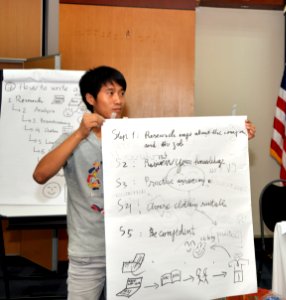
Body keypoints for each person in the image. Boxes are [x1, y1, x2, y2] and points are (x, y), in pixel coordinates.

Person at [33, 65, 256, 299]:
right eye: (110, 93)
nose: (118, 99)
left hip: (132, 249)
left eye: (121, 92)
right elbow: (41, 175)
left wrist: (232, 133)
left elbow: (185, 150)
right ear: (90, 98)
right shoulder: (74, 140)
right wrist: (79, 134)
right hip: (89, 252)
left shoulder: (136, 135)